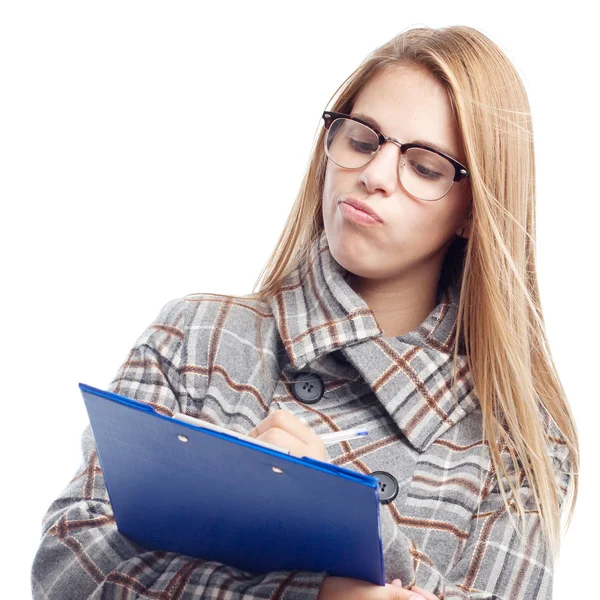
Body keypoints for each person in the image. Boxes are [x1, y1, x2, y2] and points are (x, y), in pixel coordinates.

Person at [31, 24, 579, 600]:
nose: (372, 176)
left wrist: (348, 511)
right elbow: (67, 565)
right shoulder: (198, 338)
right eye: (364, 141)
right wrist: (313, 594)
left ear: (473, 210)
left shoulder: (517, 442)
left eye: (424, 167)